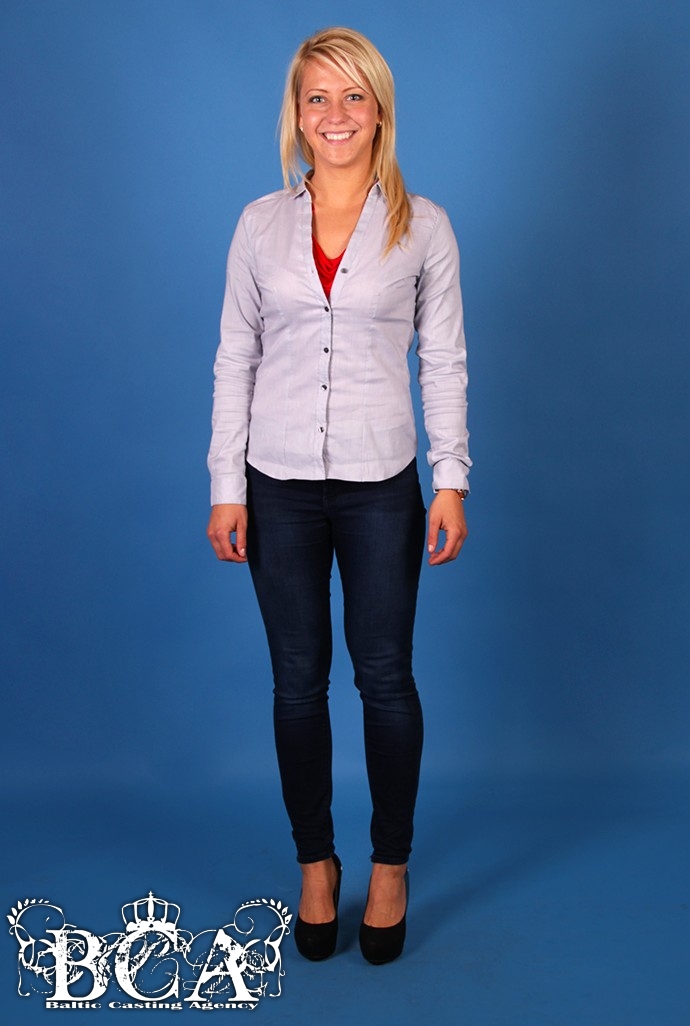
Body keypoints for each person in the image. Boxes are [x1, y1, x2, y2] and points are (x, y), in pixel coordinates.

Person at [207, 26, 470, 965]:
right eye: (317, 97)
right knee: (296, 681)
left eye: (353, 96)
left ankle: (389, 866)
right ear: (296, 113)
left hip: (380, 486)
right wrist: (226, 485)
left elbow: (443, 361)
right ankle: (315, 865)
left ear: (381, 112)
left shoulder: (423, 226)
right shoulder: (258, 225)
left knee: (385, 677)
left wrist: (451, 479)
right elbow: (235, 357)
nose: (335, 115)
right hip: (275, 484)